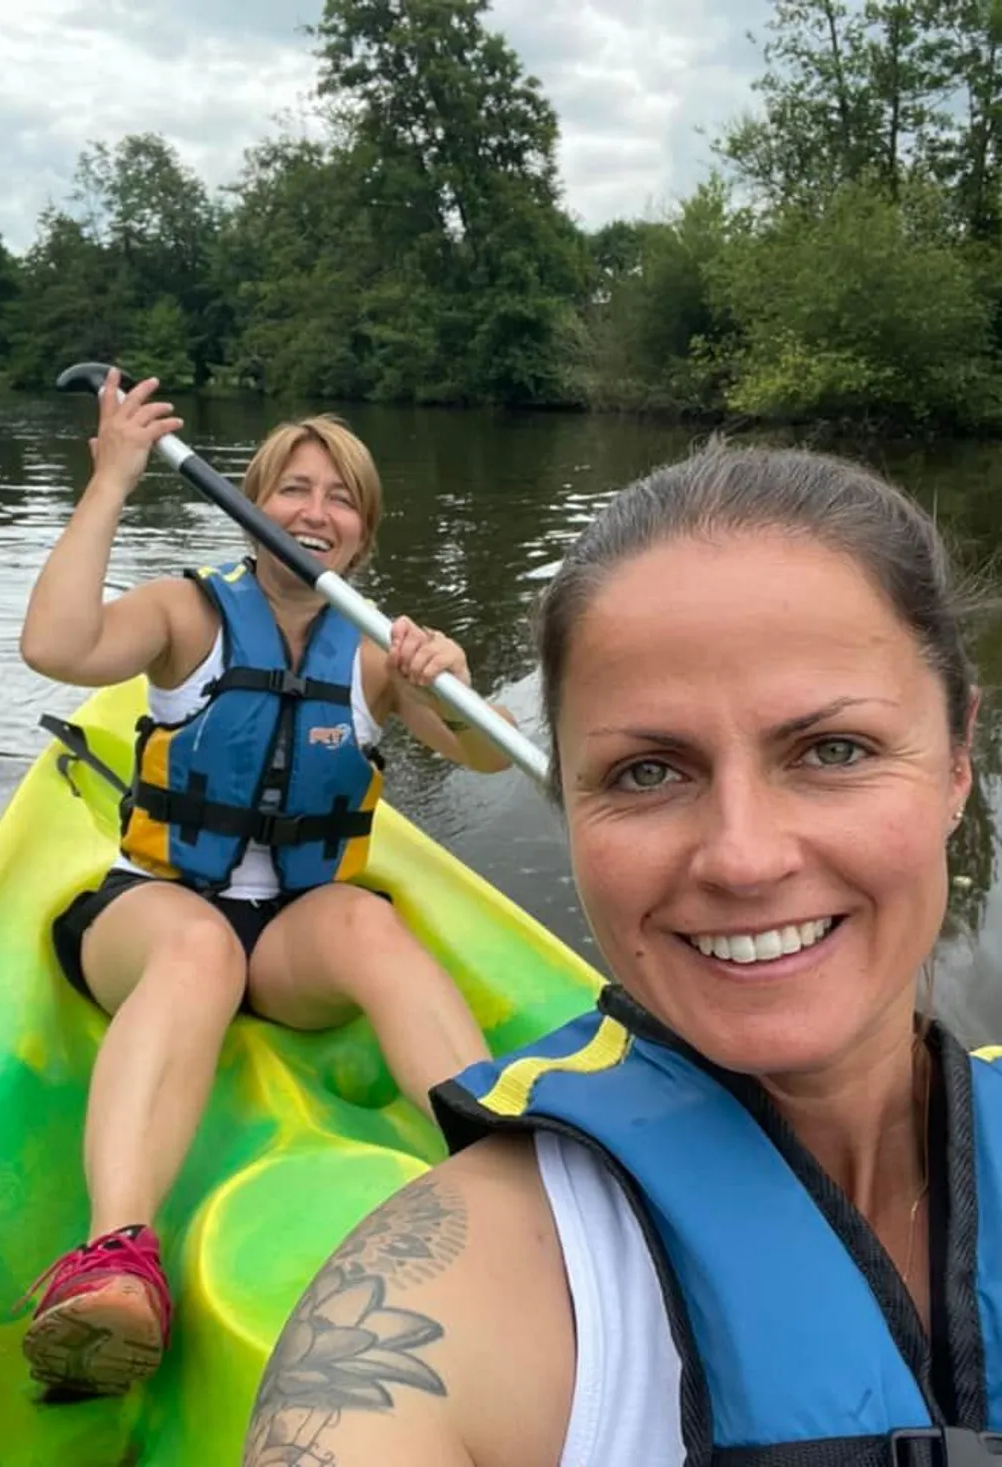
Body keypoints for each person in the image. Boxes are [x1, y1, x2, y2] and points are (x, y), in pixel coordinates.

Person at [241, 441, 1002, 1467]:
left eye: (831, 750)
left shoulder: (371, 656)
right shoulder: (451, 1302)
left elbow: (455, 734)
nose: (741, 857)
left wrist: (432, 686)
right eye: (647, 771)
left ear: (957, 758)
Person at [18, 370, 513, 1398]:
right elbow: (55, 647)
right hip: (152, 914)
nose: (315, 512)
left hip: (286, 936)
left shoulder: (379, 657)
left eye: (341, 499)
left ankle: (509, 1180)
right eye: (293, 489)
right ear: (249, 506)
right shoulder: (185, 614)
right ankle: (113, 1257)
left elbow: (482, 759)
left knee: (370, 929)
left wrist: (449, 681)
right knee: (197, 946)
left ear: (362, 538)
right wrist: (110, 477)